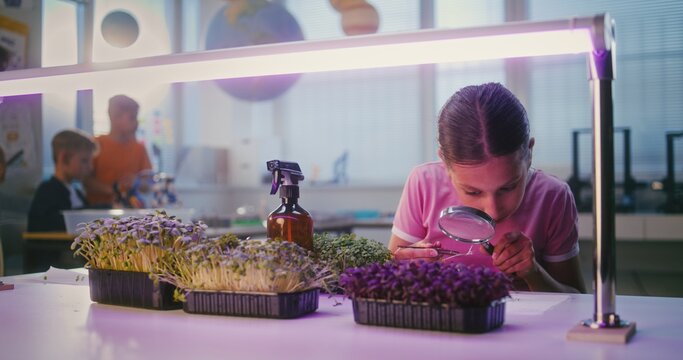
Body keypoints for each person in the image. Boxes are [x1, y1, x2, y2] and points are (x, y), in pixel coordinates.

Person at [389, 82, 586, 293]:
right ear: (446, 165)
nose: (493, 210)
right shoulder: (423, 183)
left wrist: (533, 272)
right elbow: (386, 275)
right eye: (473, 192)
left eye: (508, 187)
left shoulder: (553, 196)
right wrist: (401, 268)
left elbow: (577, 299)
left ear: (529, 153)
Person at [84, 95, 152, 207]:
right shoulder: (96, 144)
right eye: (132, 117)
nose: (136, 123)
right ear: (115, 117)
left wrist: (136, 182)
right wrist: (114, 191)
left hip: (130, 211)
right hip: (98, 211)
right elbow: (86, 180)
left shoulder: (139, 148)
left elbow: (149, 186)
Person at [27, 129, 98, 232]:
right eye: (84, 161)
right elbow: (45, 226)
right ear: (64, 158)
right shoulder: (47, 191)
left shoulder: (77, 193)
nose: (90, 167)